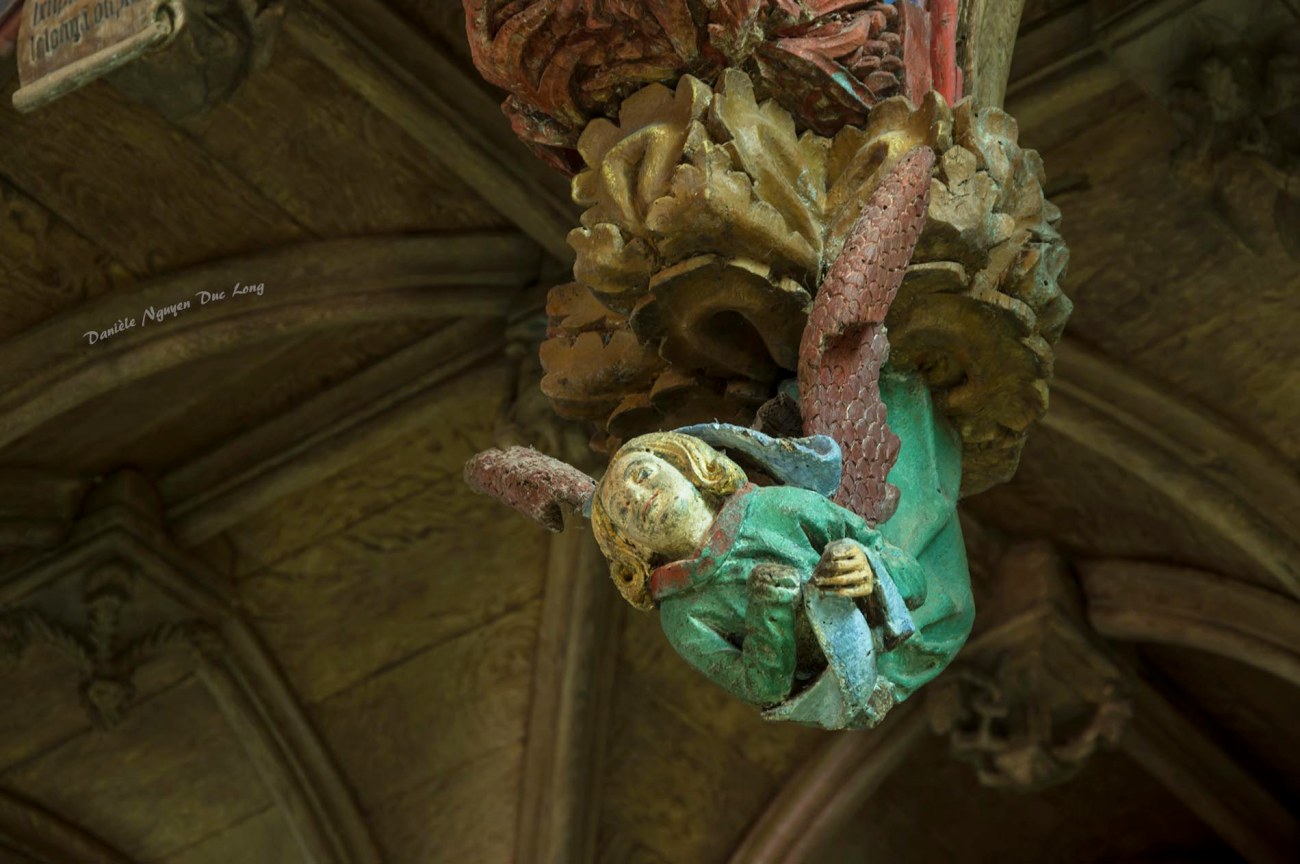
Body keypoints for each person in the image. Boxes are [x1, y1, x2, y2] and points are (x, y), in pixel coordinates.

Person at [588, 366, 975, 729]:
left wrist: (868, 567)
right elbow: (763, 690)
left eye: (643, 474)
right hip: (837, 685)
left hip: (914, 631)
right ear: (631, 544)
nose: (638, 498)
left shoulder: (777, 507)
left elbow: (910, 577)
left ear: (688, 467)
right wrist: (769, 613)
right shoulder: (683, 614)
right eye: (622, 510)